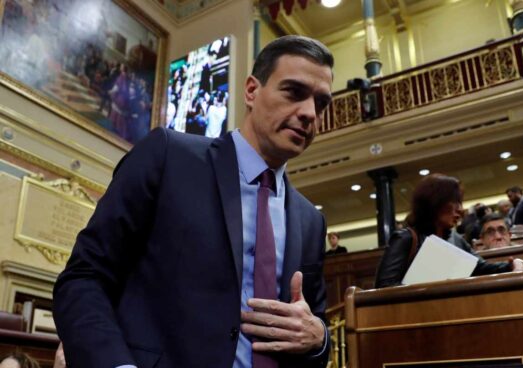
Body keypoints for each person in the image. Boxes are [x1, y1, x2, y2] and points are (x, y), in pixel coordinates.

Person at [53, 35, 334, 368]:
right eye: (294, 92)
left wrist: (319, 339)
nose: (308, 113)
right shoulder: (168, 156)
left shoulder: (310, 220)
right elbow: (84, 277)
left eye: (320, 103)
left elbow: (312, 325)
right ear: (251, 91)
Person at [374, 174, 523, 288]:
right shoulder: (406, 238)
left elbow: (478, 267)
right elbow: (384, 288)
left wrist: (509, 265)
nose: (460, 210)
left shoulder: (456, 239)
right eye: (454, 202)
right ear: (434, 203)